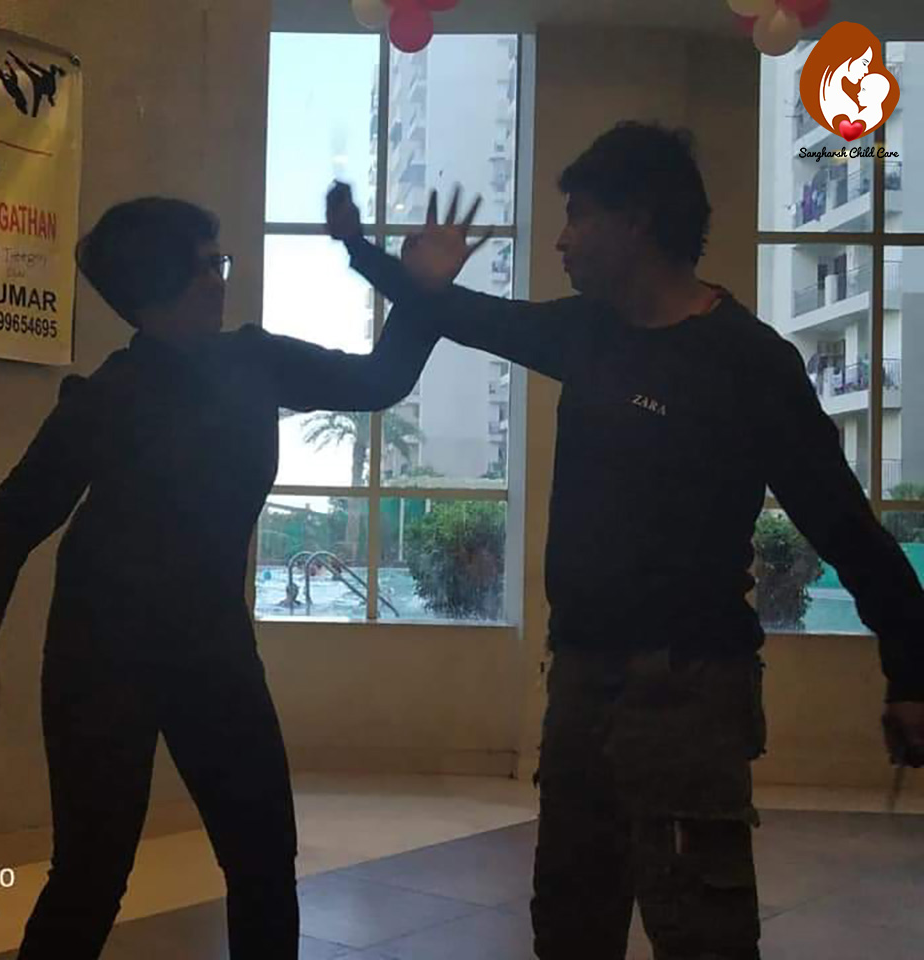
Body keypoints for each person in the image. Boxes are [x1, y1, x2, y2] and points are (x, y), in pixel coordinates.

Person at [327, 122, 924, 960]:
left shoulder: (747, 363)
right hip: (580, 678)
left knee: (703, 933)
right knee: (570, 925)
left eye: (579, 215)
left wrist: (912, 671)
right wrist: (365, 254)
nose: (562, 239)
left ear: (637, 220)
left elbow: (843, 524)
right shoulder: (589, 332)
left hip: (690, 691)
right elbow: (469, 317)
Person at [0, 194, 439, 960]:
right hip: (99, 657)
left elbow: (381, 381)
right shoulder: (107, 399)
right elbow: (7, 524)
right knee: (91, 874)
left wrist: (418, 288)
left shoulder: (254, 361)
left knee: (264, 859)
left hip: (212, 647)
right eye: (205, 265)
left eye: (217, 261)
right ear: (158, 280)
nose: (219, 278)